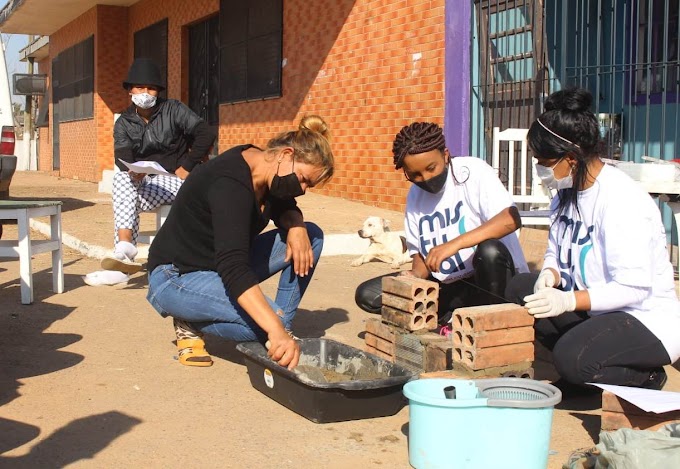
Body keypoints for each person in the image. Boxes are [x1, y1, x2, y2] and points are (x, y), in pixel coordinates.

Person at [505, 87, 680, 391]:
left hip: (643, 318)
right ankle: (586, 364)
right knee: (520, 288)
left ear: (571, 158)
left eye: (543, 162)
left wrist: (568, 299)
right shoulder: (565, 194)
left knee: (571, 358)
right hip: (598, 310)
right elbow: (556, 252)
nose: (539, 171)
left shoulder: (621, 200)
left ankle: (646, 376)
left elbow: (633, 289)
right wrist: (550, 273)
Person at [146, 115, 334, 369]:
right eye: (303, 179)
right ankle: (189, 316)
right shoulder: (230, 183)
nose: (302, 189)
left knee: (311, 236)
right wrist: (274, 328)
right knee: (269, 325)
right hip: (176, 275)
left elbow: (283, 206)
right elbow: (233, 267)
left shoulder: (264, 166)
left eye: (308, 185)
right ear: (286, 154)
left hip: (216, 264)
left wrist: (297, 225)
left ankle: (280, 326)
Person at [354, 122, 529, 331]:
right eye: (415, 175)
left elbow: (510, 220)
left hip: (491, 282)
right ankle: (451, 320)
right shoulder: (415, 196)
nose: (426, 179)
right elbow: (418, 254)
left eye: (431, 168)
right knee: (368, 295)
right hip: (450, 286)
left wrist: (454, 244)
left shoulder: (472, 171)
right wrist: (415, 276)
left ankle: (492, 328)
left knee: (489, 251)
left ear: (445, 155)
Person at [85, 58, 216, 286]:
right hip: (149, 185)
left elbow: (205, 133)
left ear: (158, 91)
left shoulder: (173, 109)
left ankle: (122, 261)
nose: (145, 92)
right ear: (129, 90)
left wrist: (187, 166)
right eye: (140, 87)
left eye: (151, 88)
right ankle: (124, 250)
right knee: (123, 182)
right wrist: (133, 171)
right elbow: (122, 156)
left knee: (126, 198)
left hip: (178, 181)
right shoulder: (124, 122)